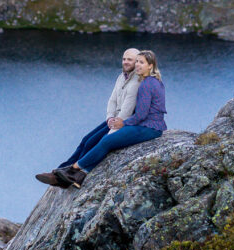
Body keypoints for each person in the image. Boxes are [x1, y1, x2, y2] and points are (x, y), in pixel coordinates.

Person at [48, 50, 166, 188]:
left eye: (141, 62)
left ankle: (72, 169)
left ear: (150, 66)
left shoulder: (146, 84)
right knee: (94, 140)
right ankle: (79, 175)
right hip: (143, 124)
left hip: (150, 127)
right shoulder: (148, 81)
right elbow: (120, 104)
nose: (137, 65)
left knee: (106, 141)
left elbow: (141, 114)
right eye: (137, 62)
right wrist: (116, 119)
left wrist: (124, 123)